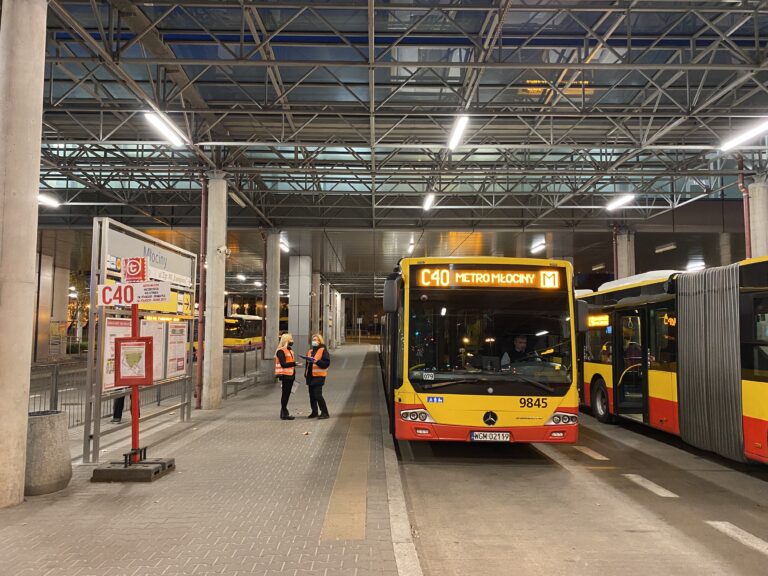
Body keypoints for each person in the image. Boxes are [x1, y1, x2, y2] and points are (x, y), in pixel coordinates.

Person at [304, 333, 331, 419]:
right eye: (313, 340)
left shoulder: (323, 350)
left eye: (316, 340)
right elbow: (307, 364)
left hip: (319, 376)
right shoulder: (310, 351)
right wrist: (305, 373)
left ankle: (325, 412)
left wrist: (317, 361)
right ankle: (314, 412)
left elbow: (326, 364)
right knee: (312, 395)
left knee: (318, 395)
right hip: (310, 376)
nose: (314, 341)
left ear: (320, 341)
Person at [274, 332, 297, 420]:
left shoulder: (289, 350)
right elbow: (283, 364)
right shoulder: (280, 351)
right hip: (285, 375)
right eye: (290, 339)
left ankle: (284, 412)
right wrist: (294, 363)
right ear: (286, 340)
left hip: (290, 375)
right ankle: (284, 412)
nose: (292, 341)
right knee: (285, 394)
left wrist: (294, 365)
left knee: (287, 394)